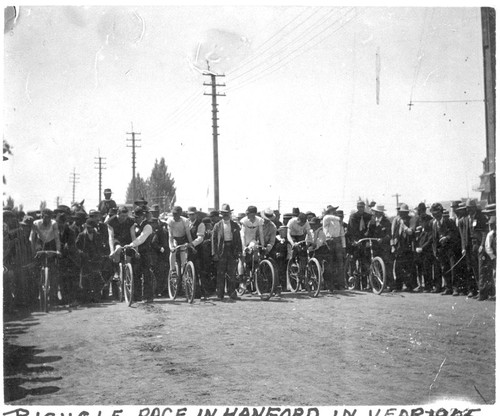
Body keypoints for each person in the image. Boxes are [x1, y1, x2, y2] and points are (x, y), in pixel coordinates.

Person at [211, 203, 242, 300]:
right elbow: (214, 240)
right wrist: (214, 253)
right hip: (221, 251)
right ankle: (220, 294)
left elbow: (238, 239)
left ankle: (231, 292)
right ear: (221, 214)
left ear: (230, 214)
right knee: (220, 273)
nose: (225, 215)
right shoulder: (217, 226)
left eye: (227, 213)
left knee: (231, 273)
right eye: (223, 213)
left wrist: (239, 251)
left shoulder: (235, 225)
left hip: (231, 250)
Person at [124, 207, 155, 303]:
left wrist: (131, 245)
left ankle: (148, 296)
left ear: (143, 217)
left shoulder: (147, 227)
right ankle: (136, 296)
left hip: (145, 253)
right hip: (135, 252)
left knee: (146, 274)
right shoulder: (134, 226)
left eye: (138, 217)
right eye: (135, 217)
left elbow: (142, 238)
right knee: (136, 274)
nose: (136, 219)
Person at [430, 202, 460, 295]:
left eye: (437, 213)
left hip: (450, 249)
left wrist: (447, 237)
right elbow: (434, 238)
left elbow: (455, 233)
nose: (435, 215)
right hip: (441, 250)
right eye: (433, 213)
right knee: (444, 269)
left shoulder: (449, 221)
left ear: (441, 212)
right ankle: (448, 288)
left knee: (453, 268)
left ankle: (455, 288)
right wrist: (435, 250)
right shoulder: (434, 223)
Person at [460, 199, 488, 298]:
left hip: (479, 245)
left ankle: (483, 292)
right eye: (467, 208)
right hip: (470, 246)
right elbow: (464, 234)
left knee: (481, 270)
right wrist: (464, 247)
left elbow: (484, 232)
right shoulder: (467, 218)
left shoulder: (480, 217)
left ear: (475, 207)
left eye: (470, 207)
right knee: (475, 269)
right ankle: (479, 290)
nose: (469, 210)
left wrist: (482, 245)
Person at [366, 204, 393, 290]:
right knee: (374, 265)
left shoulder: (387, 222)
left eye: (378, 212)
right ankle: (375, 285)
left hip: (384, 247)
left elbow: (389, 235)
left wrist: (383, 239)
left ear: (382, 213)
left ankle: (390, 285)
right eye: (375, 212)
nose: (376, 214)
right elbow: (368, 233)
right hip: (375, 247)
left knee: (387, 265)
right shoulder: (372, 222)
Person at [390, 203, 415, 292]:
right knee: (398, 267)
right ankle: (398, 286)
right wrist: (393, 246)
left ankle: (409, 286)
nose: (402, 214)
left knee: (408, 267)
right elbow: (392, 234)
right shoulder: (395, 220)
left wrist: (403, 225)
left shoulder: (411, 219)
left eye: (404, 212)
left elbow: (410, 232)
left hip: (408, 246)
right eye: (401, 212)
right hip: (399, 246)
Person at [106, 206, 136, 279]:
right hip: (116, 240)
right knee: (118, 249)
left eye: (126, 216)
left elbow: (133, 236)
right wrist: (112, 251)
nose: (124, 218)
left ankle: (128, 274)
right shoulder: (111, 221)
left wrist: (136, 250)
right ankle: (116, 271)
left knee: (129, 255)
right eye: (122, 216)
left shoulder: (131, 221)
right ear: (118, 214)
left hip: (127, 240)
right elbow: (111, 237)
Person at [322, 205, 346, 290]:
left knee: (340, 264)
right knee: (330, 264)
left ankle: (340, 284)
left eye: (334, 210)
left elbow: (342, 234)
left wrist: (343, 246)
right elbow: (328, 217)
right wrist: (338, 218)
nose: (334, 212)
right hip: (329, 241)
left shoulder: (337, 221)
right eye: (332, 210)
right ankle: (330, 285)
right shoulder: (327, 218)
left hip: (337, 241)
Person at [166, 206, 193, 280]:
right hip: (174, 239)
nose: (175, 216)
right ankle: (172, 270)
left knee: (183, 256)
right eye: (174, 214)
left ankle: (184, 272)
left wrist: (191, 244)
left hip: (183, 239)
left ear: (180, 214)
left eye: (177, 214)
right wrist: (171, 246)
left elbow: (188, 234)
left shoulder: (185, 221)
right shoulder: (170, 221)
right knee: (173, 251)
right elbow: (170, 235)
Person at [307, 217, 334, 292]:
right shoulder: (310, 232)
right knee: (312, 267)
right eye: (311, 225)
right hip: (313, 250)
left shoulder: (321, 233)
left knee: (326, 268)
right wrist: (308, 245)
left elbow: (319, 242)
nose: (312, 226)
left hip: (322, 250)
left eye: (314, 225)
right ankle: (316, 284)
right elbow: (307, 240)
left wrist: (313, 247)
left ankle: (329, 286)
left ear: (317, 225)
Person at [238, 205, 265, 279]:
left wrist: (262, 245)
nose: (248, 215)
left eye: (250, 214)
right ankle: (241, 278)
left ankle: (255, 268)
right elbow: (242, 234)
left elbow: (261, 233)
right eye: (247, 214)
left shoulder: (259, 220)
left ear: (254, 214)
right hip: (243, 239)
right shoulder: (244, 220)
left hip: (252, 240)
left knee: (255, 248)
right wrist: (244, 247)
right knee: (242, 258)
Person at [287, 212, 314, 283]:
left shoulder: (306, 223)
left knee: (303, 252)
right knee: (295, 248)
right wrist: (292, 243)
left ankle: (302, 270)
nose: (302, 225)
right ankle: (293, 262)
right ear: (298, 219)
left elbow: (309, 233)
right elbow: (288, 234)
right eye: (300, 223)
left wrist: (309, 242)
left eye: (303, 224)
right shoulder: (292, 221)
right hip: (292, 236)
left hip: (300, 236)